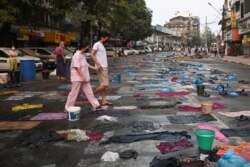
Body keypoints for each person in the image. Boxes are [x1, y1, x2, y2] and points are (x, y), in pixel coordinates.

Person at [65, 42, 105, 112]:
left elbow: (86, 65)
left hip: (84, 78)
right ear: (83, 47)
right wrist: (82, 76)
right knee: (74, 93)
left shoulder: (82, 55)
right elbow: (77, 67)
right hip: (77, 78)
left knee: (89, 92)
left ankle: (96, 105)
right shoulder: (76, 55)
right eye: (87, 47)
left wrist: (95, 68)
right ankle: (68, 107)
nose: (88, 49)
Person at [90, 32, 112, 106]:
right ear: (102, 37)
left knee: (103, 85)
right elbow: (92, 54)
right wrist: (98, 63)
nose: (107, 39)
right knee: (105, 84)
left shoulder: (101, 45)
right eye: (106, 38)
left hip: (103, 66)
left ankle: (104, 101)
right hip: (101, 67)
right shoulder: (97, 44)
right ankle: (92, 94)